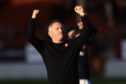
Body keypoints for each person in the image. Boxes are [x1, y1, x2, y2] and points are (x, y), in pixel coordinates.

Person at [27, 5, 96, 84]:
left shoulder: (72, 44)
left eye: (61, 28)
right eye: (57, 28)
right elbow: (30, 37)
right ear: (50, 34)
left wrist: (82, 14)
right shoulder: (45, 47)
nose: (60, 29)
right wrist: (33, 17)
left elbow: (88, 32)